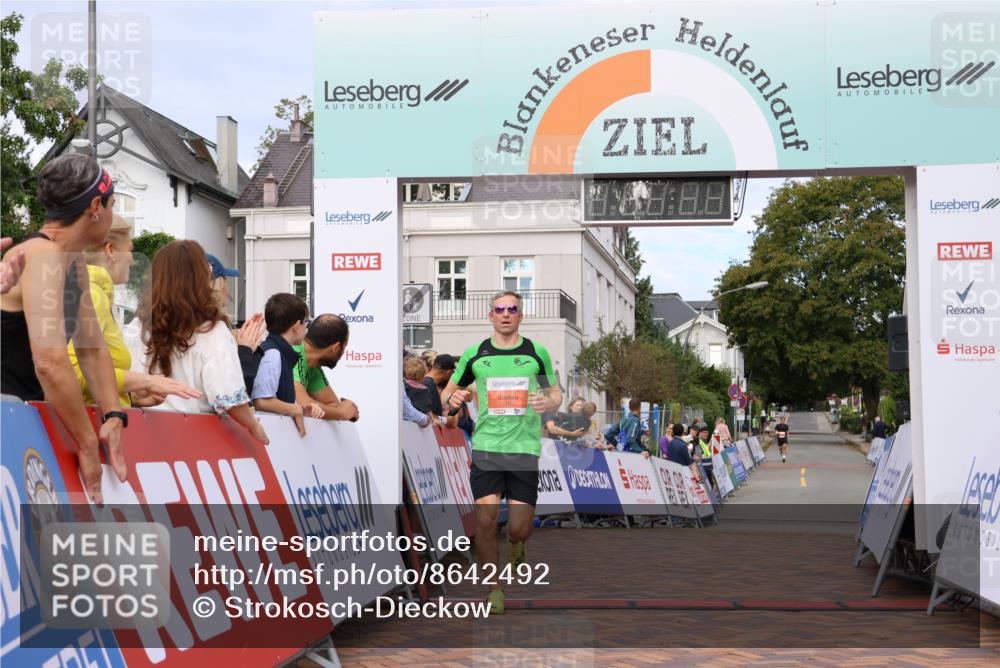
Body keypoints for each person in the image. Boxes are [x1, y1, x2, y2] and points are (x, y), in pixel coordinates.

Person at [1, 155, 127, 503]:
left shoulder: (71, 261)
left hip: (21, 414)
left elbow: (91, 347)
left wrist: (113, 414)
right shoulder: (42, 256)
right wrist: (87, 444)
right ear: (96, 206)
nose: (115, 214)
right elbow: (51, 363)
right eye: (113, 204)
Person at [442, 290, 562, 616]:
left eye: (512, 309)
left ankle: (517, 542)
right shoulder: (476, 353)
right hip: (486, 447)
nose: (506, 314)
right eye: (500, 309)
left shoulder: (536, 352)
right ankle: (494, 589)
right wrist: (451, 400)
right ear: (490, 315)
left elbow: (554, 392)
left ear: (521, 315)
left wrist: (548, 403)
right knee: (485, 520)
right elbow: (448, 393)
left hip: (524, 448)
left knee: (520, 526)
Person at [124, 240, 268, 444]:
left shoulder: (137, 326)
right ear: (201, 277)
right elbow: (228, 397)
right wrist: (253, 425)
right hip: (193, 441)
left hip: (141, 434)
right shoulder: (211, 331)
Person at [68, 215, 202, 409]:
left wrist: (131, 397)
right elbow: (75, 373)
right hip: (93, 425)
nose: (132, 259)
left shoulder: (91, 292)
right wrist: (147, 381)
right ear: (110, 250)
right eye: (130, 250)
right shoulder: (92, 295)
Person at [251, 293, 324, 436]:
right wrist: (296, 409)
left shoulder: (278, 352)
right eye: (306, 322)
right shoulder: (273, 354)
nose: (306, 329)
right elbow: (261, 402)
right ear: (297, 326)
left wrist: (301, 410)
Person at [291, 314, 359, 421]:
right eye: (344, 347)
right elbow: (306, 405)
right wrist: (342, 413)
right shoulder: (294, 353)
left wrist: (343, 410)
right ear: (335, 347)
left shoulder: (313, 365)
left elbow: (333, 404)